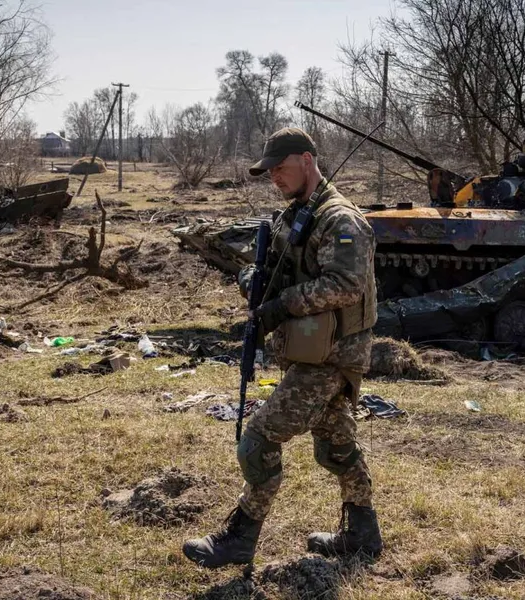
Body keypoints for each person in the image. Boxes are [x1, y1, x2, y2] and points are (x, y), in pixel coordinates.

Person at [182, 127, 382, 569]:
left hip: (332, 355)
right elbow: (281, 272)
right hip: (315, 352)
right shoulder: (297, 214)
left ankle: (239, 539)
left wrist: (282, 305)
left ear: (307, 160)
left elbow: (347, 284)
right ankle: (362, 534)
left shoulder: (339, 219)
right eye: (269, 170)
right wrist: (254, 282)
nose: (273, 175)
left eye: (280, 166)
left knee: (259, 438)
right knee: (335, 443)